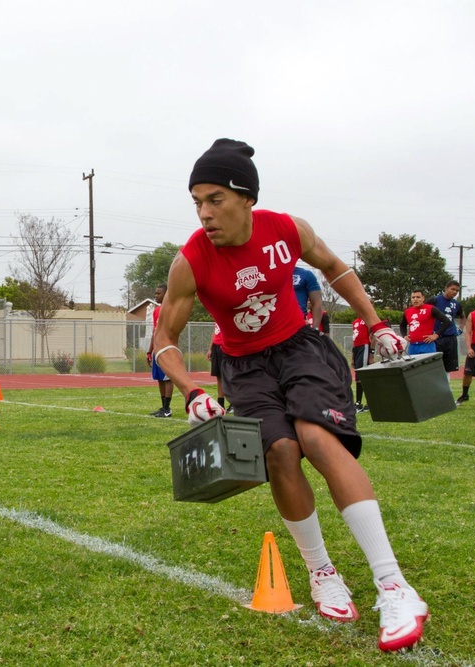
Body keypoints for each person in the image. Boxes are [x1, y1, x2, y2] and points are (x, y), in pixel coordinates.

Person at [153, 138, 428, 652]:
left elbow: (336, 268)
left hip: (299, 346)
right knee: (280, 452)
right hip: (241, 364)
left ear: (246, 197)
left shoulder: (287, 229)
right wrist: (190, 391)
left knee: (318, 438)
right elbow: (164, 341)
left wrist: (376, 323)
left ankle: (394, 586)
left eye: (214, 199)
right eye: (196, 202)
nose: (204, 214)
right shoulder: (190, 260)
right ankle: (321, 572)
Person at [426, 280, 464, 381]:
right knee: (434, 366)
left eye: (457, 290)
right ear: (446, 288)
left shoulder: (456, 304)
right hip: (437, 338)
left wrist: (460, 329)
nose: (455, 292)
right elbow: (422, 312)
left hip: (450, 338)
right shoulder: (435, 300)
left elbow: (462, 316)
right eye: (452, 289)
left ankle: (447, 390)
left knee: (448, 367)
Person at [145, 284, 174, 417]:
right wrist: (149, 351)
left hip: (166, 349)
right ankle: (163, 407)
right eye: (155, 293)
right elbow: (155, 332)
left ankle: (168, 408)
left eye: (159, 293)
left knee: (167, 378)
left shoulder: (171, 309)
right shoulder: (157, 311)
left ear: (166, 294)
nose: (156, 296)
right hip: (157, 349)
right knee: (160, 379)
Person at [399, 289, 452, 356]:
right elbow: (402, 325)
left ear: (423, 298)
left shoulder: (431, 309)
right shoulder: (407, 311)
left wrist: (436, 335)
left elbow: (447, 321)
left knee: (428, 366)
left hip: (427, 345)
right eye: (413, 297)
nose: (415, 299)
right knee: (414, 366)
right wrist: (404, 335)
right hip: (413, 346)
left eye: (418, 297)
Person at [206, 321, 231, 413]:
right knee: (219, 376)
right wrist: (210, 348)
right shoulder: (217, 314)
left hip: (225, 346)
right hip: (216, 346)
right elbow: (215, 331)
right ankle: (220, 404)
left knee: (229, 376)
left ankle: (233, 403)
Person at [351, 316, 371, 413]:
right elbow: (354, 339)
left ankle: (367, 403)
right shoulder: (355, 321)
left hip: (364, 346)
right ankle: (358, 402)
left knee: (362, 375)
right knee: (357, 376)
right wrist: (352, 356)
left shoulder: (368, 320)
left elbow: (372, 337)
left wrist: (371, 353)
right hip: (357, 349)